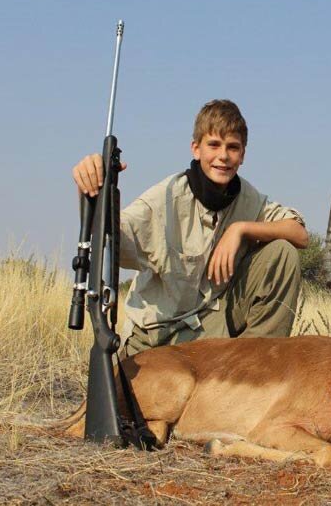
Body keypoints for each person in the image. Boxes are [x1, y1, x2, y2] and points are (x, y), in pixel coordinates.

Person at [72, 99, 308, 356]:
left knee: (283, 252)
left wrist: (240, 229)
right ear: (195, 148)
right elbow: (109, 240)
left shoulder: (250, 200)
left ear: (242, 155)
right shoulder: (164, 199)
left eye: (232, 147)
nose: (223, 156)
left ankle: (255, 368)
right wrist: (91, 190)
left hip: (211, 327)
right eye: (214, 145)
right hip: (158, 335)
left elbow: (299, 234)